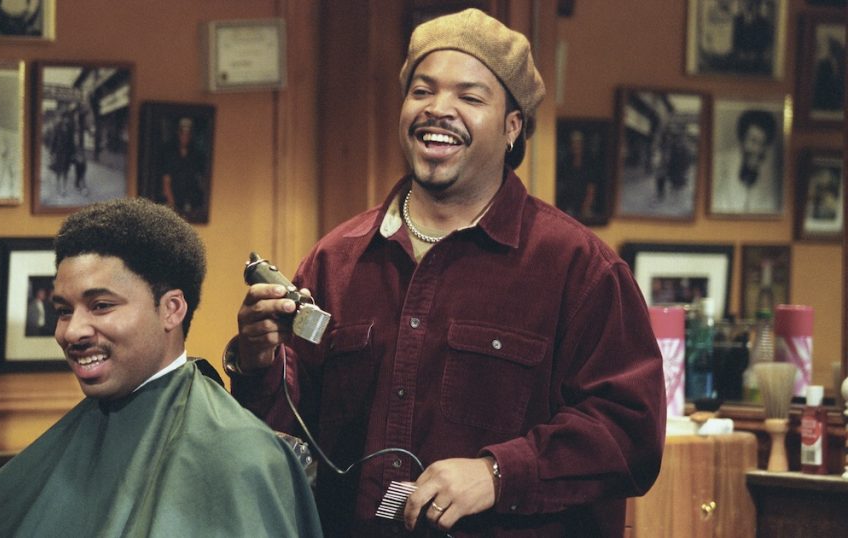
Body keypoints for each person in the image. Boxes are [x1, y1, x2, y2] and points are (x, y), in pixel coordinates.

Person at [227, 9, 665, 536]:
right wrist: (259, 362)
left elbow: (630, 432)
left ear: (512, 127)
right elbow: (285, 442)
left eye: (470, 97)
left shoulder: (581, 269)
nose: (439, 110)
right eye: (422, 91)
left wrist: (499, 474)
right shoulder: (334, 260)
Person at [0, 198, 323, 537]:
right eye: (62, 310)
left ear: (171, 309)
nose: (72, 332)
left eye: (101, 306)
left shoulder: (242, 456)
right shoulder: (80, 432)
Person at [711, 109, 779, 214]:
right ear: (742, 139)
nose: (758, 149)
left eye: (763, 143)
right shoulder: (719, 164)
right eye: (753, 141)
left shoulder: (773, 175)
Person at [159, 117, 208, 221]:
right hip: (173, 198)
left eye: (188, 133)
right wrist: (172, 205)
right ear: (178, 133)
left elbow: (202, 179)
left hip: (192, 199)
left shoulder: (197, 154)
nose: (185, 136)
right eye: (182, 132)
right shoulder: (168, 152)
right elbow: (166, 181)